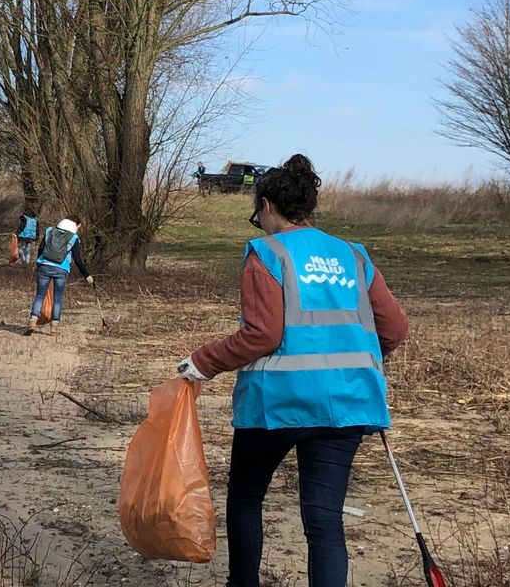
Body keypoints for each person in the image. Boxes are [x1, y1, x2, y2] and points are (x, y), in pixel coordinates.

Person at [174, 154, 409, 587]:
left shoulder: (267, 253)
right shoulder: (353, 255)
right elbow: (394, 328)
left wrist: (203, 363)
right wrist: (358, 361)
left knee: (246, 497)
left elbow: (262, 335)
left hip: (277, 405)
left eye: (255, 213)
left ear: (266, 206)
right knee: (324, 521)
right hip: (347, 405)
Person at [27, 218, 91, 335]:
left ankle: (32, 321)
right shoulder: (73, 238)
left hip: (44, 266)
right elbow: (77, 259)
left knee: (40, 295)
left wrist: (38, 264)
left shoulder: (50, 231)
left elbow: (41, 248)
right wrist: (86, 275)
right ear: (75, 225)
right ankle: (54, 328)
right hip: (62, 270)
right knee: (57, 298)